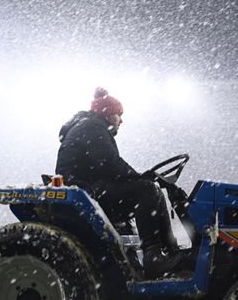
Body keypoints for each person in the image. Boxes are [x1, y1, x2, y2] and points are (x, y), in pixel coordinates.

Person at [56, 87, 186, 277]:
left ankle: (169, 250)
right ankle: (154, 255)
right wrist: (139, 177)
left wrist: (140, 177)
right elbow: (108, 162)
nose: (121, 120)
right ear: (107, 114)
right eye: (119, 114)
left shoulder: (91, 126)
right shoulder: (91, 126)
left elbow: (107, 166)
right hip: (86, 190)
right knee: (147, 191)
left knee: (152, 190)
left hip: (90, 187)